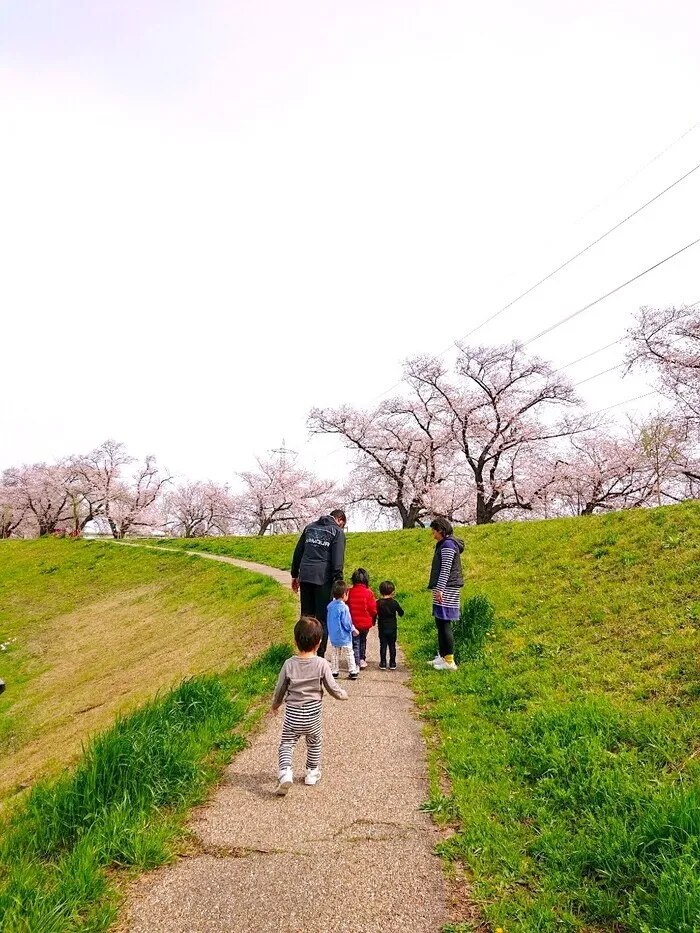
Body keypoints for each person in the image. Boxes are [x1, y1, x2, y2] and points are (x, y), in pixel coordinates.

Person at [272, 615, 348, 795]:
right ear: (319, 643)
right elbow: (331, 687)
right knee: (314, 743)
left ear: (295, 641)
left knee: (287, 743)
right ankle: (312, 773)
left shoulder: (288, 664)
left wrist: (275, 704)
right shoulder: (322, 664)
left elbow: (280, 687)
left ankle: (285, 773)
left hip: (293, 715)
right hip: (313, 716)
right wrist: (342, 695)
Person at [290, 509, 347, 657]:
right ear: (340, 520)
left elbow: (298, 552)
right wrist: (338, 585)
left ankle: (304, 653)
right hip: (323, 579)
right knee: (322, 619)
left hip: (306, 576)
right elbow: (337, 561)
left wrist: (295, 575)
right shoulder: (337, 532)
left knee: (306, 617)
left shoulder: (310, 527)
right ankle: (319, 655)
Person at [427, 517, 464, 672]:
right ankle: (443, 656)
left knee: (444, 623)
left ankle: (449, 661)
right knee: (440, 622)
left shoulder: (448, 545)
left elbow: (446, 569)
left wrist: (440, 589)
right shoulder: (443, 544)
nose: (433, 534)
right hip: (443, 587)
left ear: (441, 530)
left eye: (434, 531)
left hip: (447, 588)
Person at [326, 580, 359, 679]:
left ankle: (334, 671)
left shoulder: (330, 606)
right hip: (344, 636)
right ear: (344, 594)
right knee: (349, 653)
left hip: (334, 636)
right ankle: (352, 671)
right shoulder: (344, 608)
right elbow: (346, 622)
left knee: (335, 654)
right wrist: (353, 629)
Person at [347, 568, 377, 670]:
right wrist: (373, 618)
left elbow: (346, 606)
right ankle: (361, 659)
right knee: (363, 640)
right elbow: (373, 609)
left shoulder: (349, 592)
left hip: (353, 623)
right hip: (365, 624)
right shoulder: (369, 593)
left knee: (354, 642)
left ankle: (355, 660)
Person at [376, 580, 404, 670]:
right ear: (392, 592)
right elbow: (401, 612)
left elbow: (374, 613)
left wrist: (373, 620)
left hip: (382, 627)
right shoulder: (394, 602)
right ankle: (392, 663)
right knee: (392, 645)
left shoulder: (378, 603)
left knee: (383, 645)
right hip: (392, 628)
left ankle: (383, 662)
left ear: (380, 592)